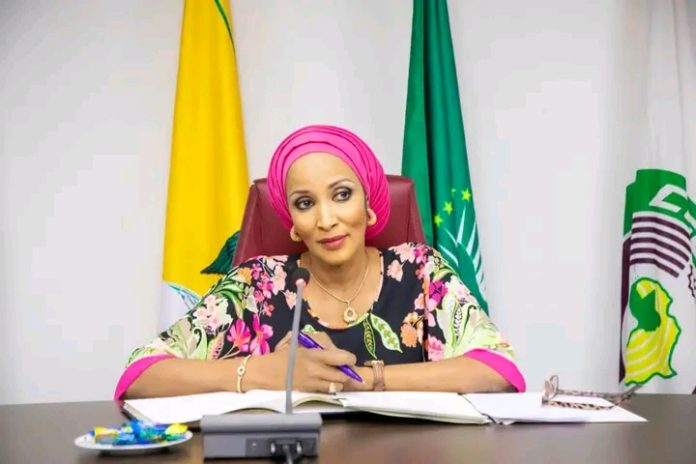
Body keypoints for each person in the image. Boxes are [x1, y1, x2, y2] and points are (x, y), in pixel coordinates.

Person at [115, 125, 525, 399]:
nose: (326, 219)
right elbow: (140, 375)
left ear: (369, 205)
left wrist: (361, 380)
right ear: (292, 224)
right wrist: (264, 373)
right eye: (305, 203)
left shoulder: (420, 270)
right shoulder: (258, 283)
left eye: (342, 195)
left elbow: (499, 370)